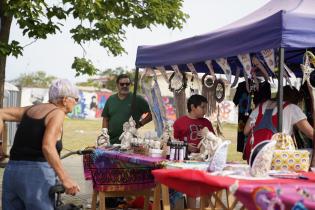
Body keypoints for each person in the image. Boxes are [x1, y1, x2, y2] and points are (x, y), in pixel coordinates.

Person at [0, 79, 80, 210]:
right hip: (37, 176)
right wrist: (65, 179)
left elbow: (1, 113)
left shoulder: (31, 109)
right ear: (65, 99)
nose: (77, 102)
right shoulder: (57, 113)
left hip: (12, 172)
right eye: (75, 99)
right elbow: (48, 147)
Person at [243, 85, 313, 161]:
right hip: (277, 156)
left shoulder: (260, 106)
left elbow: (246, 131)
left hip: (254, 153)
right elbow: (311, 134)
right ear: (295, 99)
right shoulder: (292, 108)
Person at [173, 94, 215, 209]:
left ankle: (205, 207)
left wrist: (209, 135)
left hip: (205, 162)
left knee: (208, 187)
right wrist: (186, 146)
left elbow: (214, 142)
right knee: (191, 189)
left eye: (206, 107)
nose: (205, 110)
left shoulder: (206, 123)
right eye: (203, 107)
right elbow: (172, 143)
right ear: (193, 107)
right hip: (187, 162)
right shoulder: (179, 123)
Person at [101, 74, 152, 145]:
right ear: (117, 85)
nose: (125, 86)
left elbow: (152, 114)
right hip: (111, 141)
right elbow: (105, 118)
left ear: (130, 85)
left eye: (127, 84)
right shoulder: (111, 99)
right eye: (122, 84)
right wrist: (104, 133)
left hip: (129, 142)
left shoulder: (138, 99)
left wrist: (140, 124)